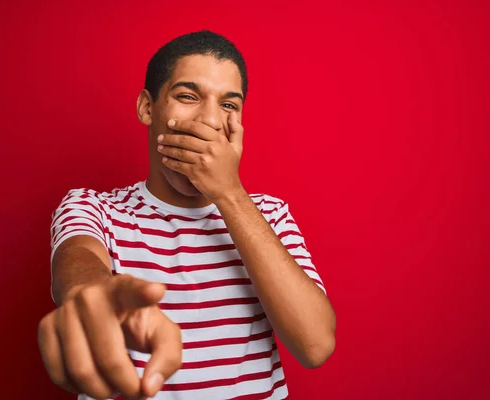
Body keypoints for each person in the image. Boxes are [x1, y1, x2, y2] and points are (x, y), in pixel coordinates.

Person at [38, 30, 336, 400]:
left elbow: (315, 345)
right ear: (148, 108)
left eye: (229, 105)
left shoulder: (270, 215)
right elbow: (78, 267)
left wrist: (228, 193)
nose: (209, 121)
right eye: (188, 96)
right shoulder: (93, 208)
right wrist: (97, 297)